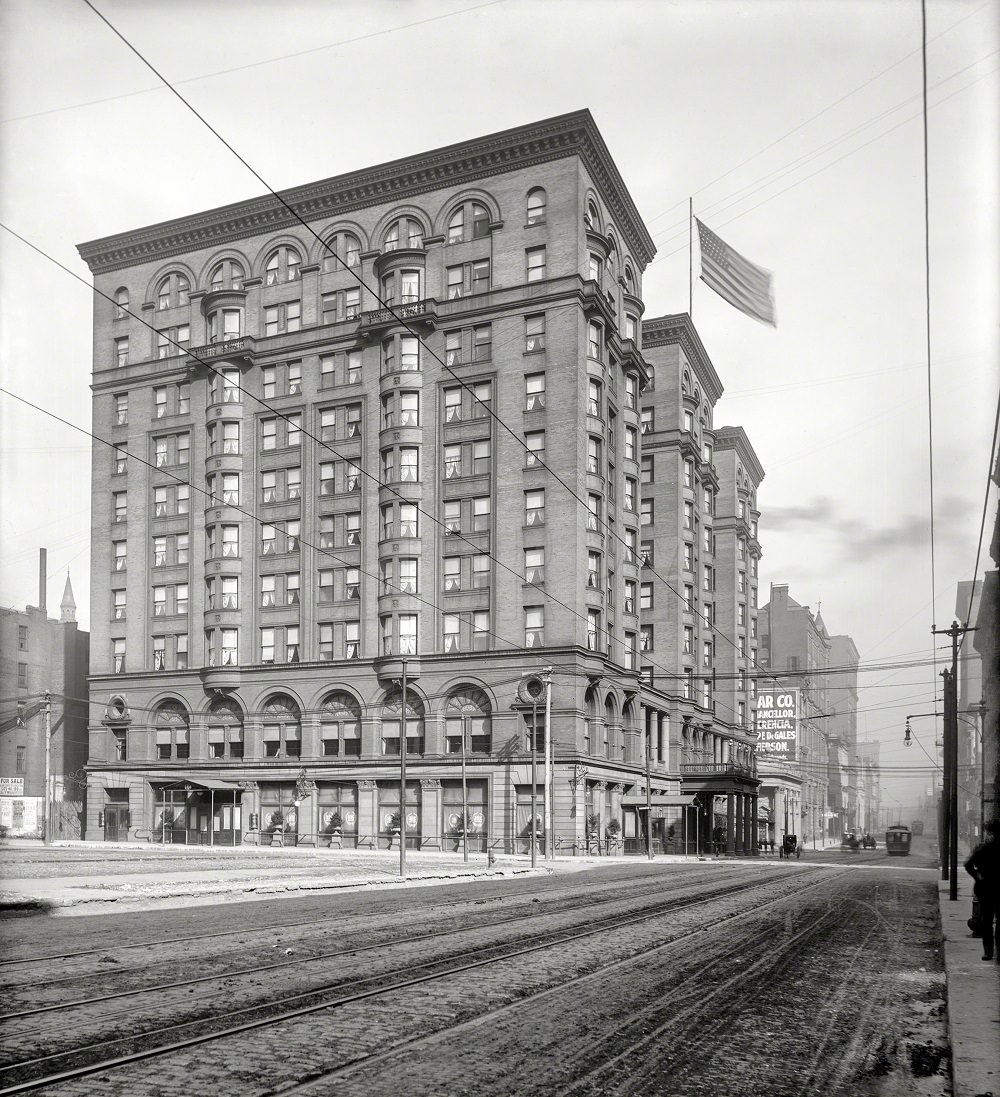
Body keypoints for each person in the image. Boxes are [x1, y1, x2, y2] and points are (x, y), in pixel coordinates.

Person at [964, 820, 1000, 961]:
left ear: (989, 833)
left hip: (985, 889)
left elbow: (968, 865)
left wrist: (978, 878)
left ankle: (988, 952)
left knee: (987, 922)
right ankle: (998, 951)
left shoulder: (983, 849)